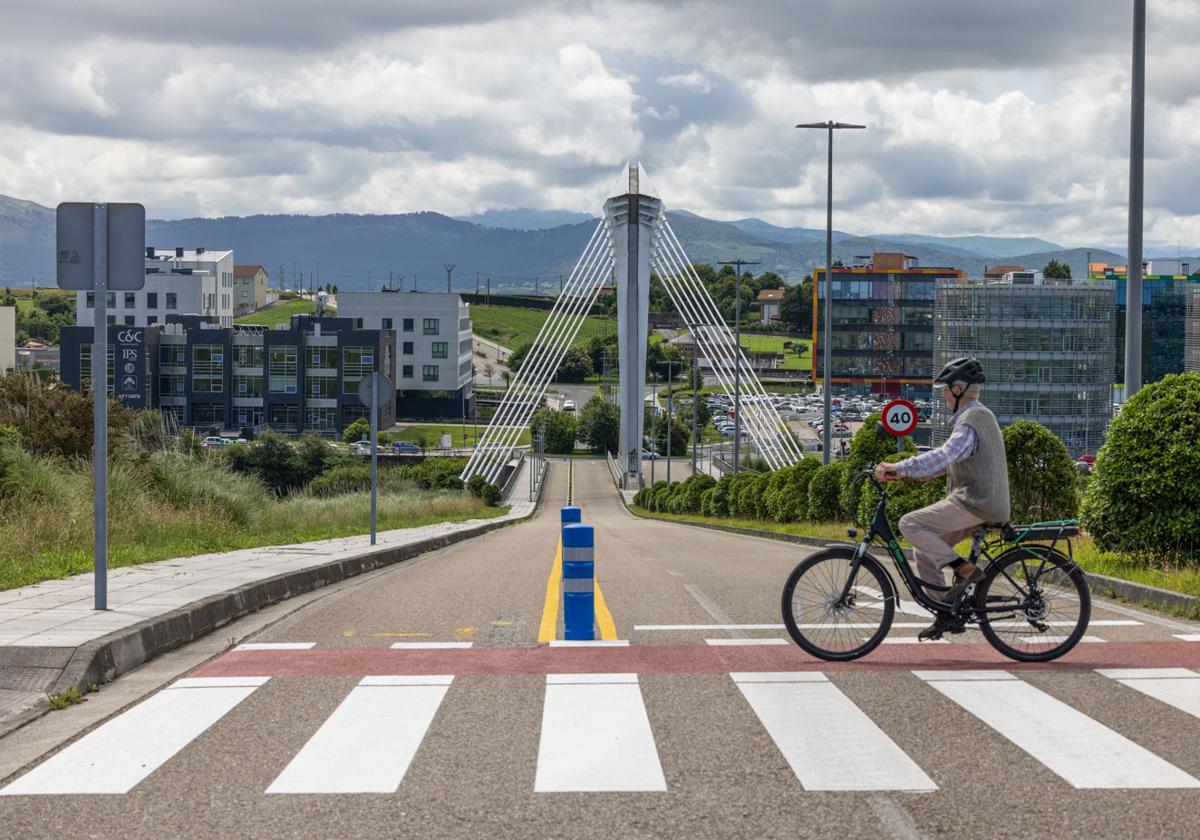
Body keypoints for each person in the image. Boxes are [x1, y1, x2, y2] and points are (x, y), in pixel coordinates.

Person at [874, 357, 1011, 641]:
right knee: (924, 551)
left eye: (946, 389)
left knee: (910, 524)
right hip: (977, 501)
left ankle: (964, 569)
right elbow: (945, 465)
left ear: (959, 388)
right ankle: (947, 612)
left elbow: (943, 456)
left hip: (976, 501)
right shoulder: (975, 417)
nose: (944, 395)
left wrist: (899, 467)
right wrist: (904, 474)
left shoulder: (970, 422)